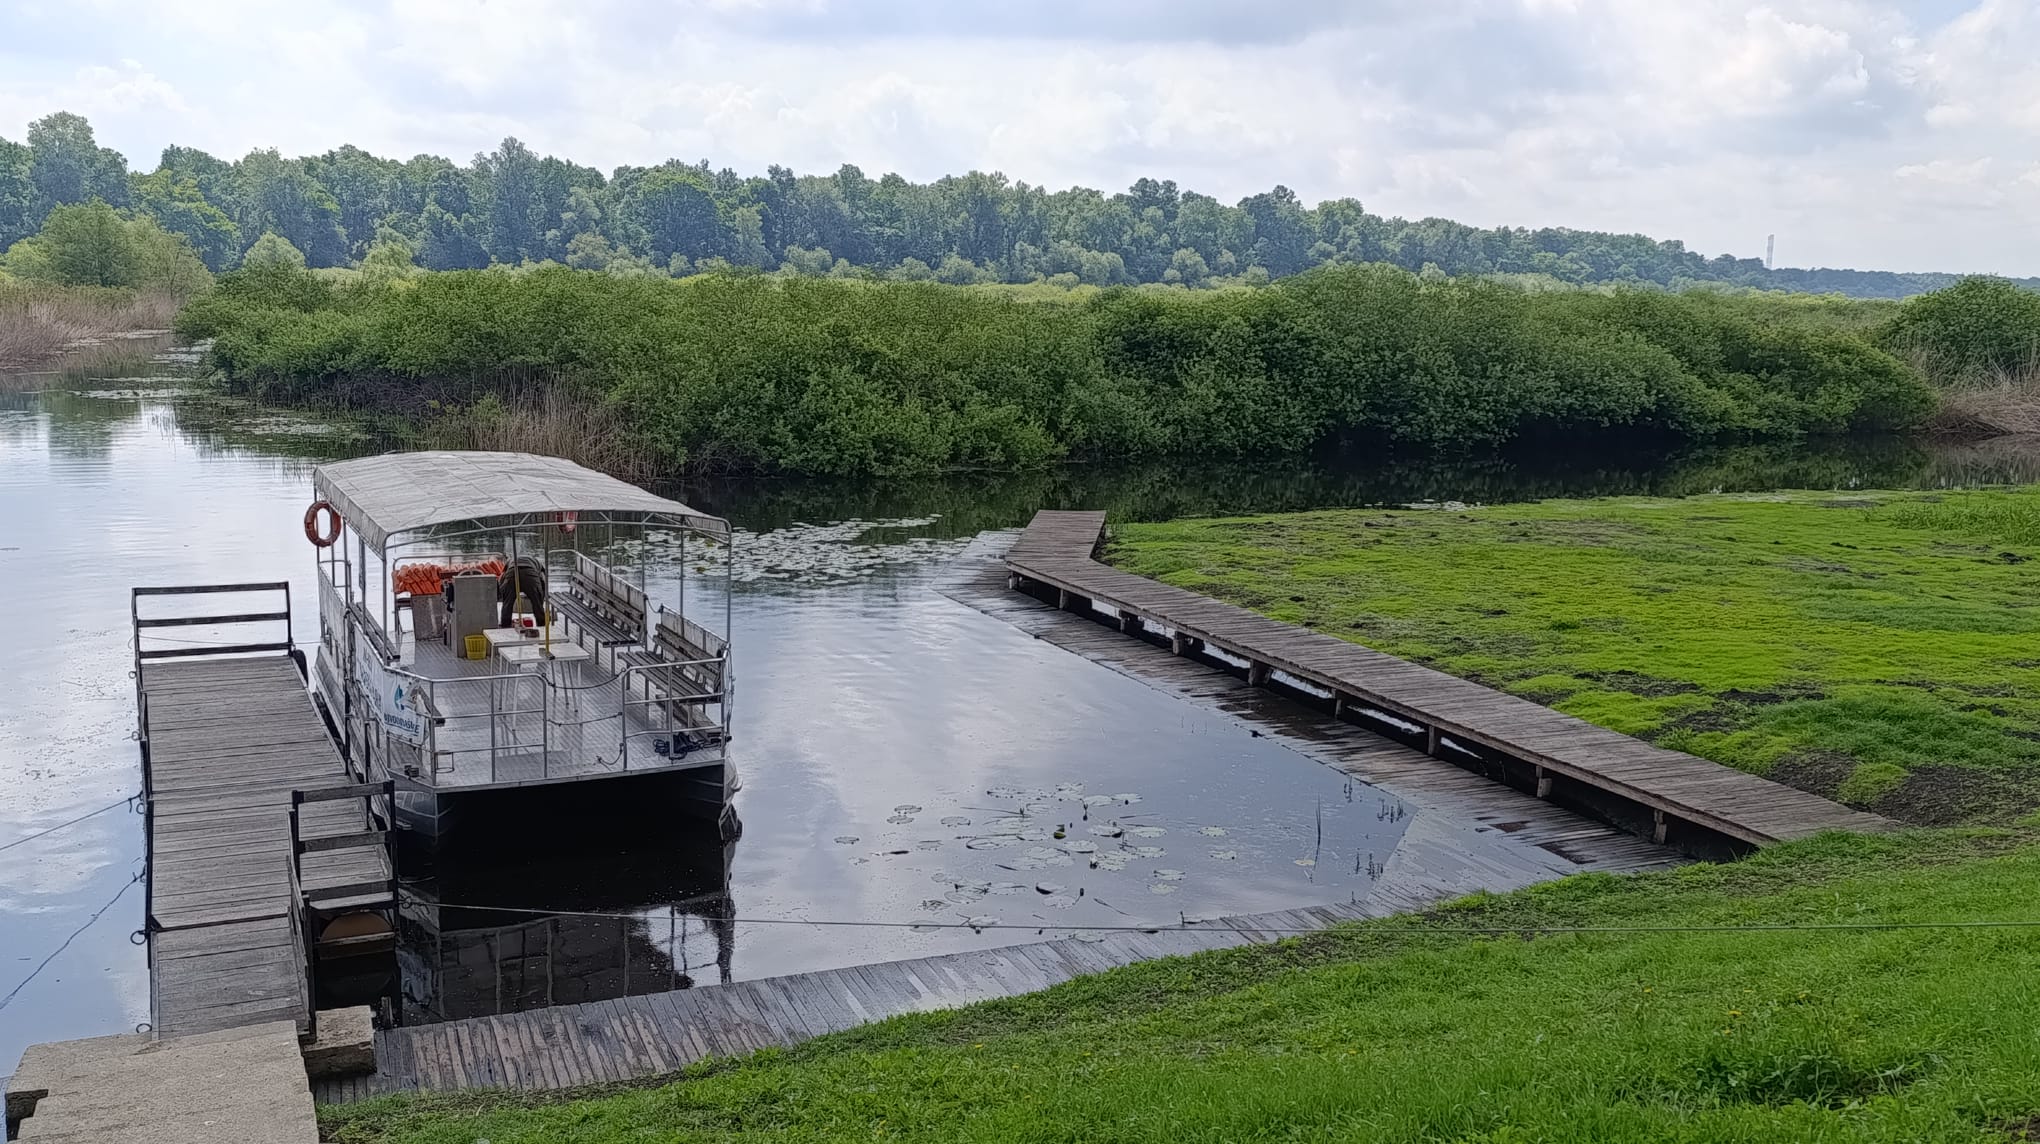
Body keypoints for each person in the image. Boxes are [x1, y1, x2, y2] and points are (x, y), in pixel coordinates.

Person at [497, 555, 549, 627]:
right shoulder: (537, 562)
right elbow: (543, 580)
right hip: (531, 576)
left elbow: (502, 576)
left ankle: (505, 625)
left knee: (507, 604)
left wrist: (502, 591)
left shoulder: (510, 560)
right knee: (537, 604)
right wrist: (541, 596)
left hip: (512, 574)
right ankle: (542, 624)